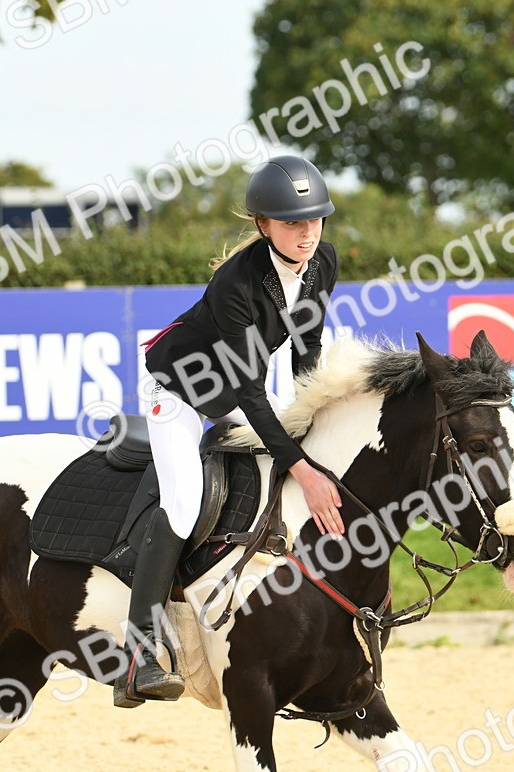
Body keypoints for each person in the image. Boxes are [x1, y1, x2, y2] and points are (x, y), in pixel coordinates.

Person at [113, 155, 346, 708]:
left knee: (281, 468)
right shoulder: (235, 283)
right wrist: (305, 470)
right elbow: (249, 395)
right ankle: (140, 653)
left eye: (315, 219)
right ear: (264, 226)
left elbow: (306, 353)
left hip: (237, 395)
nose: (307, 232)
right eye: (292, 222)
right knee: (185, 501)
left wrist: (314, 427)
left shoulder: (322, 263)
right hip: (179, 392)